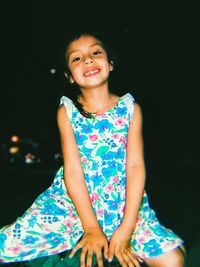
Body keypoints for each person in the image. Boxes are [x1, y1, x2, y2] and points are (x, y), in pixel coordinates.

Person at [0, 26, 185, 267]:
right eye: (76, 58)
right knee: (7, 246)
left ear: (110, 63)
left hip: (124, 203)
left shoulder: (131, 109)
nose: (87, 59)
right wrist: (91, 228)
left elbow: (136, 166)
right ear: (69, 75)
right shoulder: (67, 112)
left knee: (174, 260)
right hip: (72, 203)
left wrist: (126, 229)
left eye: (96, 53)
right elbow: (73, 172)